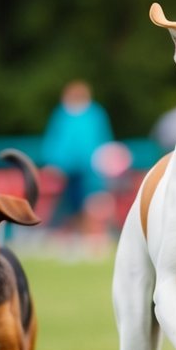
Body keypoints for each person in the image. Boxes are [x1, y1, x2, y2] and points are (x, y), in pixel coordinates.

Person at [41, 80, 114, 240]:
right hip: (66, 170)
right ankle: (72, 234)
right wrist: (54, 163)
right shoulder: (62, 114)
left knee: (92, 202)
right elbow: (56, 141)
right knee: (67, 203)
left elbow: (100, 141)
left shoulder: (94, 114)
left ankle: (90, 235)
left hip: (90, 169)